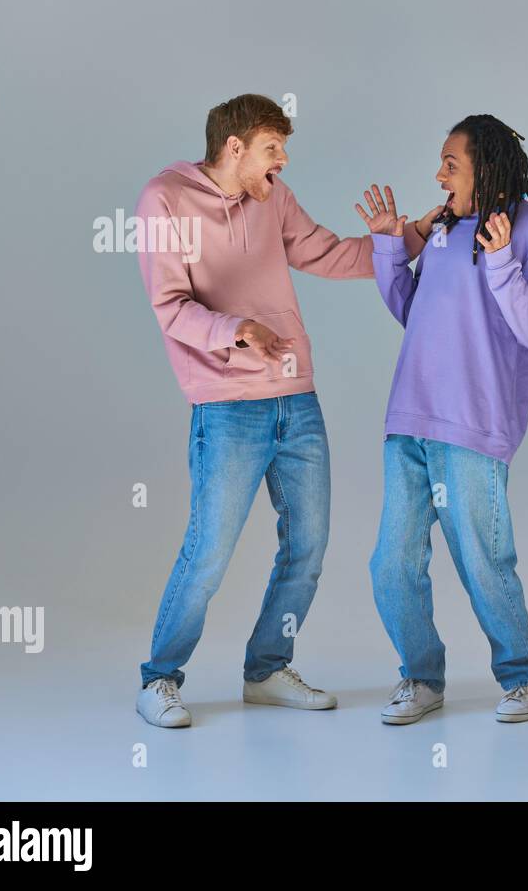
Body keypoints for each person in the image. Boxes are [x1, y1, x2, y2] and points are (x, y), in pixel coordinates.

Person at [135, 93, 375, 728]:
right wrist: (237, 328)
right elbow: (170, 306)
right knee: (209, 551)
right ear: (234, 147)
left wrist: (406, 242)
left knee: (310, 544)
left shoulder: (275, 199)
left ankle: (267, 669)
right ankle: (160, 678)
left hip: (296, 397)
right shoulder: (164, 199)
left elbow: (328, 253)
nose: (284, 161)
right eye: (274, 148)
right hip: (227, 406)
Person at [359, 115, 528, 724]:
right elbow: (411, 311)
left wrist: (500, 262)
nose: (439, 174)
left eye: (450, 162)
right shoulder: (444, 227)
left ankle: (523, 672)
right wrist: (390, 247)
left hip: (474, 423)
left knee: (481, 558)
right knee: (391, 562)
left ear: (486, 165)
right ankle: (421, 677)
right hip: (409, 418)